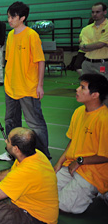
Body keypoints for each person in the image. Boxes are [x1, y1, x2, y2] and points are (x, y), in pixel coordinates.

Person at [0, 1, 51, 161]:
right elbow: (8, 61)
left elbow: (41, 61)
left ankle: (43, 156)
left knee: (35, 124)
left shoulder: (31, 35)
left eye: (12, 17)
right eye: (8, 17)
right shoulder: (10, 36)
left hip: (28, 88)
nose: (9, 20)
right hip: (11, 88)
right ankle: (13, 152)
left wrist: (40, 85)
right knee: (11, 121)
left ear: (22, 18)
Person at [53, 73, 108, 214]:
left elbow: (105, 156)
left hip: (93, 171)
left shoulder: (104, 119)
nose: (77, 90)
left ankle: (101, 190)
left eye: (82, 88)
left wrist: (80, 161)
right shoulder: (78, 112)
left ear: (95, 95)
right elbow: (73, 140)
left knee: (65, 206)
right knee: (44, 189)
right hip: (72, 165)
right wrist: (60, 162)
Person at [79, 2, 108, 80]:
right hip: (87, 63)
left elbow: (100, 44)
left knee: (103, 87)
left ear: (105, 12)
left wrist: (87, 46)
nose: (94, 14)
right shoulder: (86, 29)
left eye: (98, 12)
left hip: (103, 63)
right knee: (85, 87)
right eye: (93, 12)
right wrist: (101, 44)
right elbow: (83, 47)